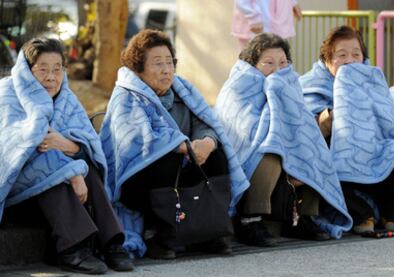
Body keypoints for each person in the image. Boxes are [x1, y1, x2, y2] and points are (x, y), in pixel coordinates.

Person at [99, 29, 249, 259]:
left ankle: (211, 232)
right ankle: (159, 235)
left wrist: (207, 142)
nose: (166, 70)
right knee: (167, 160)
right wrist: (181, 145)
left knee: (216, 156)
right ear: (138, 68)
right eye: (157, 63)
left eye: (170, 62)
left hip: (182, 168)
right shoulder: (126, 96)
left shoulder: (182, 90)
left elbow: (204, 121)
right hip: (135, 180)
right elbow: (135, 140)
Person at [0, 38, 133, 274]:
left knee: (87, 169)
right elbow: (17, 153)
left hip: (60, 190)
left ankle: (111, 243)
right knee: (54, 178)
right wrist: (71, 172)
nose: (51, 77)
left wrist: (70, 146)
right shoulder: (8, 94)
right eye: (43, 69)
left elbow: (89, 145)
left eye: (57, 68)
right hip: (17, 191)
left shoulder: (67, 98)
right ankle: (73, 249)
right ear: (27, 70)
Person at [214, 33, 352, 247]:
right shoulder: (238, 86)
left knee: (311, 145)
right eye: (268, 63)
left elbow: (298, 122)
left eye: (283, 63)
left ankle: (303, 217)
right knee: (271, 150)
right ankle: (250, 219)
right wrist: (278, 135)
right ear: (252, 65)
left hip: (284, 144)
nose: (277, 70)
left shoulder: (291, 84)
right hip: (253, 148)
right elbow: (243, 126)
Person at [300, 26, 394, 234]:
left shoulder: (373, 82)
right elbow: (303, 128)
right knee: (334, 159)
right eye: (341, 55)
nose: (350, 60)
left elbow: (388, 121)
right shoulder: (311, 85)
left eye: (356, 54)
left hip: (373, 151)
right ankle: (362, 213)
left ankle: (393, 213)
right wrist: (333, 116)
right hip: (336, 157)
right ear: (327, 61)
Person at [232, 0, 302, 49]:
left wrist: (292, 3)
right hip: (256, 26)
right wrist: (253, 17)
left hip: (274, 25)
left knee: (275, 63)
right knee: (251, 63)